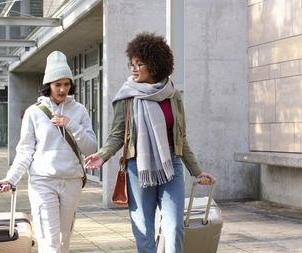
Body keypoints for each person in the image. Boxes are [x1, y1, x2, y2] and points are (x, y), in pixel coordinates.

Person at [84, 32, 215, 253]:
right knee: (143, 228)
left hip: (170, 165)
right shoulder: (126, 96)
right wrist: (102, 155)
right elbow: (117, 135)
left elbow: (181, 138)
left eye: (140, 64)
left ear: (154, 65)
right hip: (138, 168)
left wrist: (196, 171)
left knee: (174, 227)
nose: (134, 69)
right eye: (132, 64)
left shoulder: (173, 95)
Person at [0, 51, 97, 253]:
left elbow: (91, 148)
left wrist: (70, 125)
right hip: (42, 181)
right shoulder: (34, 112)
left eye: (66, 84)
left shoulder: (80, 111)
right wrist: (10, 179)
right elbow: (24, 151)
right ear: (48, 84)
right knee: (48, 240)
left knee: (63, 240)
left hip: (72, 181)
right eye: (57, 84)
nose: (62, 89)